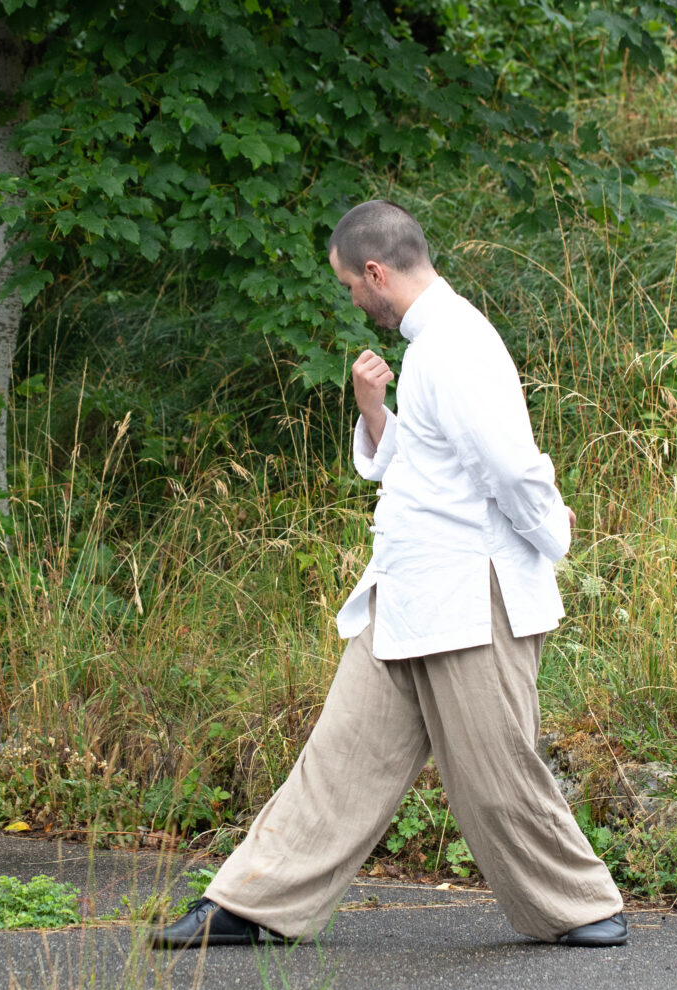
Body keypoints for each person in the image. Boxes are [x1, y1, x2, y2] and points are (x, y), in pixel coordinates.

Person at [150, 200, 627, 950]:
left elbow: (510, 466)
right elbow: (431, 471)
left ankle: (578, 905)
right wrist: (374, 411)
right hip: (407, 596)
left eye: (348, 286)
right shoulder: (429, 345)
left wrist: (551, 534)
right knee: (340, 757)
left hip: (471, 597)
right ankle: (253, 902)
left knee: (493, 769)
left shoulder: (458, 343)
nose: (352, 300)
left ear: (375, 273)